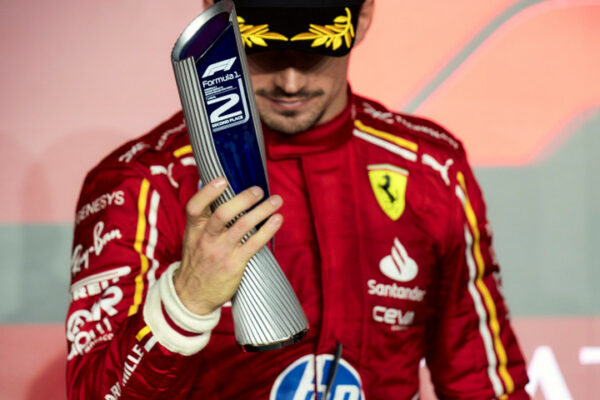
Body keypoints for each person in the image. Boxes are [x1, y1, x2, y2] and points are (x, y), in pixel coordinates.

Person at [66, 0, 530, 398]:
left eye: (314, 53)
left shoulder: (431, 169)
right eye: (263, 52)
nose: (289, 82)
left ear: (363, 17)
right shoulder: (145, 180)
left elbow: (483, 381)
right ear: (214, 18)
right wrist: (186, 301)